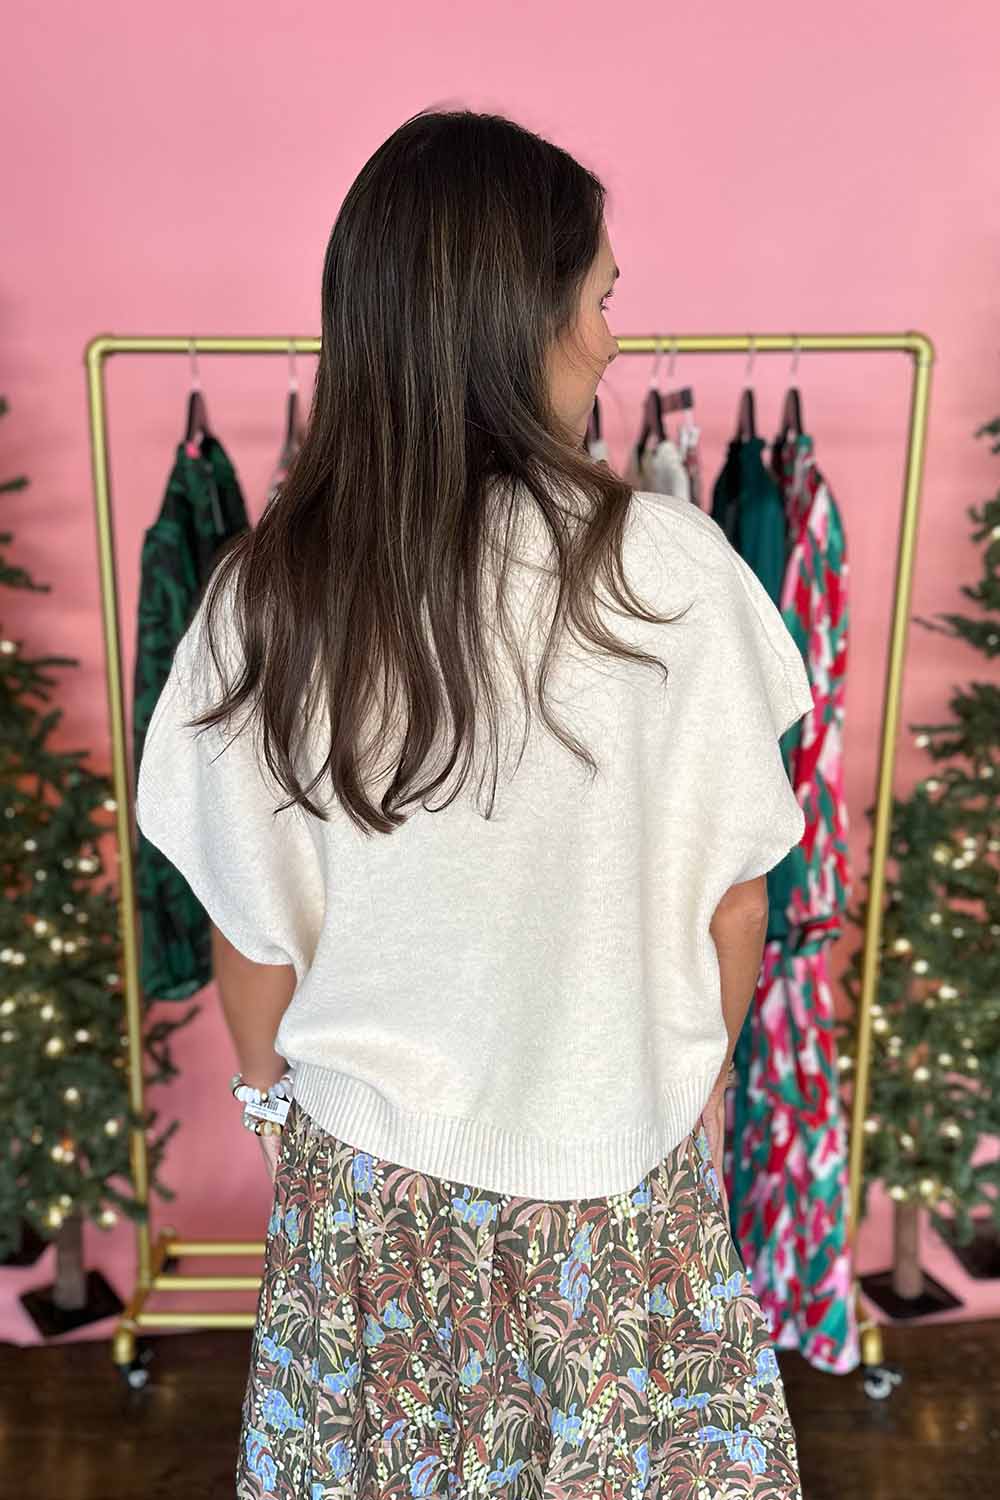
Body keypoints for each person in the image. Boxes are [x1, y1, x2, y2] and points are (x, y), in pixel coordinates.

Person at [137, 108, 810, 1500]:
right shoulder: (674, 574)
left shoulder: (268, 600)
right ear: (523, 318)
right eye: (602, 297)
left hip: (367, 1205)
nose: (613, 339)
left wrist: (273, 1112)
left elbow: (253, 940)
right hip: (620, 1198)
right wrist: (692, 1086)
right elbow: (734, 905)